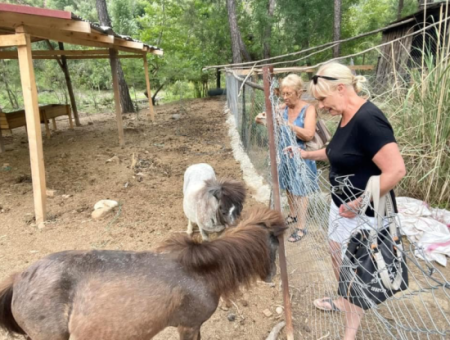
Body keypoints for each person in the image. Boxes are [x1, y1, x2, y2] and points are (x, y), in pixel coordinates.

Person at [286, 62, 406, 340]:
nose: (322, 107)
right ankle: (344, 298)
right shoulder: (346, 116)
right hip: (343, 205)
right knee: (337, 251)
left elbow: (396, 170)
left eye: (323, 100)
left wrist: (360, 202)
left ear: (341, 88)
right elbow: (336, 151)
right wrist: (304, 155)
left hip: (366, 212)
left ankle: (349, 332)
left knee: (356, 267)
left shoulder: (368, 120)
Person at [255, 74, 318, 242]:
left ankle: (301, 227)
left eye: (289, 93)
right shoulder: (281, 108)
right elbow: (271, 124)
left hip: (301, 156)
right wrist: (262, 119)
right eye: (283, 93)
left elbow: (308, 134)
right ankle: (293, 214)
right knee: (289, 186)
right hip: (284, 155)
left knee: (300, 191)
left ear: (299, 92)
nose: (285, 97)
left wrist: (286, 124)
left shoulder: (309, 109)